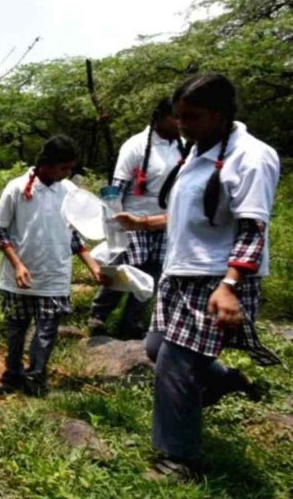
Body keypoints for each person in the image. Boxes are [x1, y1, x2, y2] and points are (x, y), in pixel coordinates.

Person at [114, 74, 280, 479]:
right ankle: (224, 381)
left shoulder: (251, 157)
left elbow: (252, 229)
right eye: (179, 116)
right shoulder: (197, 150)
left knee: (175, 364)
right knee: (156, 346)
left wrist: (230, 286)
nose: (183, 125)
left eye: (192, 117)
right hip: (181, 273)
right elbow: (191, 212)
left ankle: (179, 459)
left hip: (215, 279)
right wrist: (144, 222)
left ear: (219, 114)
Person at [0, 135, 104, 396]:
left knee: (46, 331)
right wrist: (17, 265)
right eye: (63, 168)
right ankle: (12, 375)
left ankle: (36, 378)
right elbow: (0, 231)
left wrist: (93, 266)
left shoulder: (69, 192)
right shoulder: (17, 188)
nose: (67, 173)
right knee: (16, 329)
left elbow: (73, 235)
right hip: (20, 277)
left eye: (69, 168)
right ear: (47, 164)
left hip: (54, 275)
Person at [88, 99, 184, 339]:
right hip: (132, 218)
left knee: (152, 274)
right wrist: (113, 225)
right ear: (160, 118)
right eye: (175, 117)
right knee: (125, 269)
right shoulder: (136, 145)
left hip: (165, 220)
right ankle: (98, 316)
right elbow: (116, 189)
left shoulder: (183, 145)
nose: (179, 123)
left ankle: (131, 322)